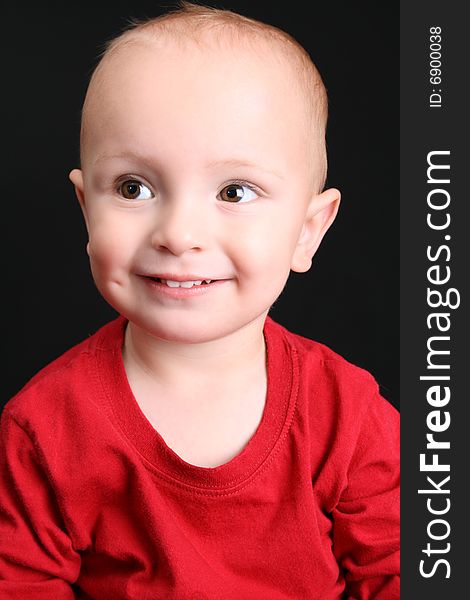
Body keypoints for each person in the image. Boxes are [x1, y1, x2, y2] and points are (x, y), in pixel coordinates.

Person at [0, 2, 399, 598]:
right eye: (134, 187)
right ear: (86, 210)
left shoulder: (348, 415)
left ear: (308, 231)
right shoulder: (42, 431)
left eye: (235, 190)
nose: (179, 233)